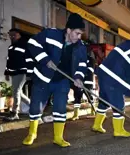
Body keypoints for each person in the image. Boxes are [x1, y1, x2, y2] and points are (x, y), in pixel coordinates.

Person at [22, 13, 87, 147]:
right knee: (35, 108)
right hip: (43, 78)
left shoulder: (80, 46)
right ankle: (32, 133)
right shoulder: (51, 34)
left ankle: (58, 137)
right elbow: (32, 43)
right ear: (68, 30)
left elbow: (82, 64)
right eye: (77, 33)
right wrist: (45, 60)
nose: (79, 37)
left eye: (81, 34)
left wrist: (79, 77)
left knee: (60, 108)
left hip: (62, 80)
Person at [3, 28, 33, 121]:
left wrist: (29, 73)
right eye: (10, 35)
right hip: (13, 73)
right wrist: (7, 73)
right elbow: (9, 61)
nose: (12, 37)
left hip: (22, 72)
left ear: (19, 35)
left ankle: (15, 112)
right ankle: (34, 108)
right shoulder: (11, 47)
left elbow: (29, 60)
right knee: (19, 92)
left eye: (14, 35)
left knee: (16, 91)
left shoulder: (25, 45)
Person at [71, 46, 96, 120]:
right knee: (77, 96)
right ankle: (76, 115)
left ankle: (93, 111)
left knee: (89, 96)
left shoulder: (91, 60)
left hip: (87, 81)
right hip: (79, 80)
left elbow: (90, 70)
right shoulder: (80, 58)